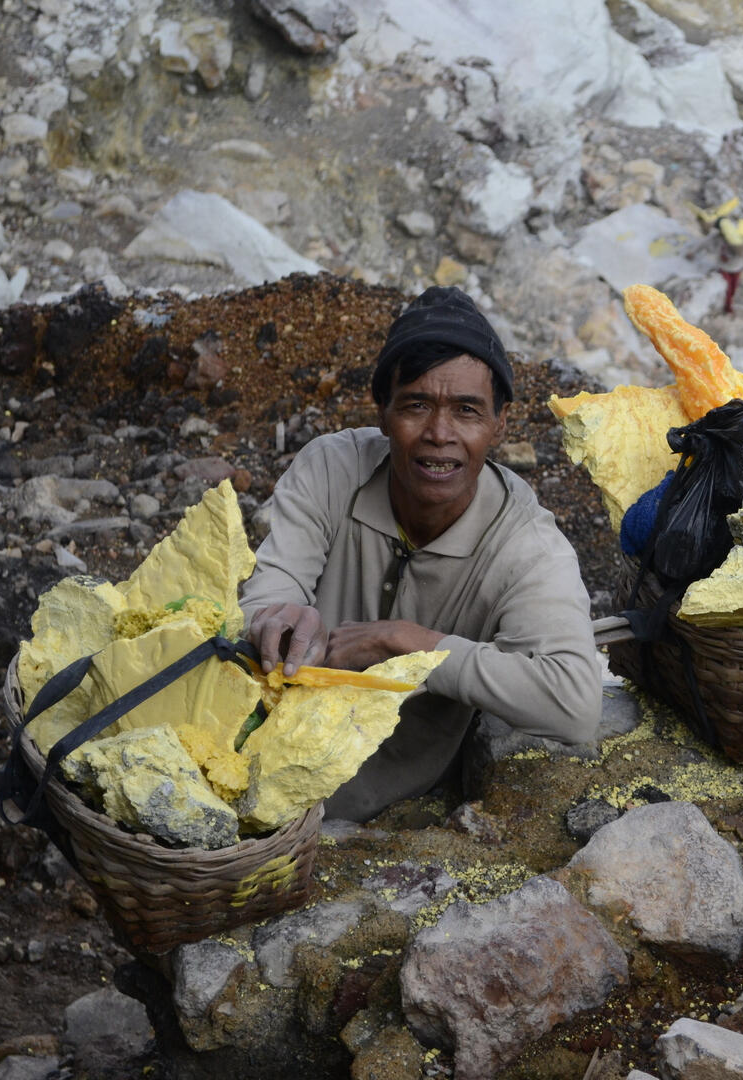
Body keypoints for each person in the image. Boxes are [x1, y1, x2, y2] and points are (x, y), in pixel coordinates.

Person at [239, 287, 603, 821]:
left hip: (384, 800)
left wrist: (413, 646)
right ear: (383, 414)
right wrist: (281, 617)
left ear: (500, 425)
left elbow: (574, 704)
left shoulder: (526, 545)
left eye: (467, 411)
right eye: (415, 406)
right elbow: (265, 596)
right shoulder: (332, 470)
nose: (439, 434)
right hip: (259, 747)